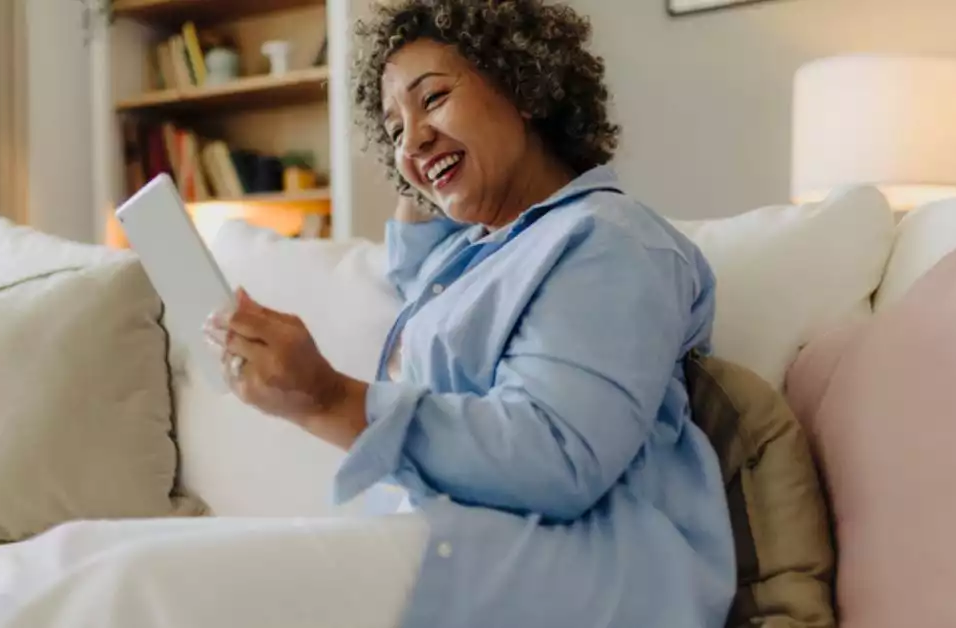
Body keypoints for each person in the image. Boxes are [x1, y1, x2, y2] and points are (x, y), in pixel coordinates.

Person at [205, 0, 735, 626]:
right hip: (457, 557)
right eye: (394, 130)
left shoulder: (608, 240)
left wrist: (330, 400)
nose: (412, 138)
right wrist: (423, 158)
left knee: (128, 579)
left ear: (523, 86)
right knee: (101, 564)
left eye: (432, 98)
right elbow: (416, 268)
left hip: (568, 577)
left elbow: (559, 459)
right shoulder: (477, 255)